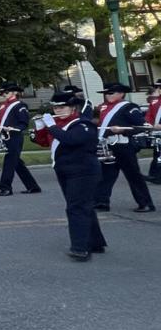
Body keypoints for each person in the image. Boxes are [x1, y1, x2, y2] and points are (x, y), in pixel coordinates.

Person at [30, 92, 106, 260]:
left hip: (83, 171)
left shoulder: (83, 124)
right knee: (83, 206)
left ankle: (81, 248)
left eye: (62, 107)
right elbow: (42, 142)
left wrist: (51, 126)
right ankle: (96, 243)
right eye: (55, 107)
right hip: (64, 170)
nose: (58, 110)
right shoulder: (57, 124)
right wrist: (40, 127)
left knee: (76, 208)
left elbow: (70, 139)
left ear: (72, 108)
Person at [92, 82, 154, 212]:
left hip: (123, 145)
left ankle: (145, 203)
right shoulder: (103, 107)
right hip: (107, 145)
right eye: (105, 94)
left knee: (133, 175)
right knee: (105, 175)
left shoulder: (129, 107)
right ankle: (101, 202)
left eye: (111, 93)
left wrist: (122, 130)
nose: (107, 96)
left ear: (121, 93)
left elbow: (143, 126)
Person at [0, 83, 42, 197]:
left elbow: (24, 123)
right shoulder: (2, 105)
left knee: (9, 162)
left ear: (14, 92)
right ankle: (33, 186)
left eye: (6, 92)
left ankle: (5, 188)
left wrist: (14, 128)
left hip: (14, 137)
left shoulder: (20, 105)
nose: (4, 94)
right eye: (3, 92)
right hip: (4, 136)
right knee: (17, 163)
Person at [145, 79, 161, 184]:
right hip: (157, 133)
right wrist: (148, 125)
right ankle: (155, 175)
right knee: (157, 154)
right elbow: (149, 117)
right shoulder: (155, 102)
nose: (159, 89)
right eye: (158, 87)